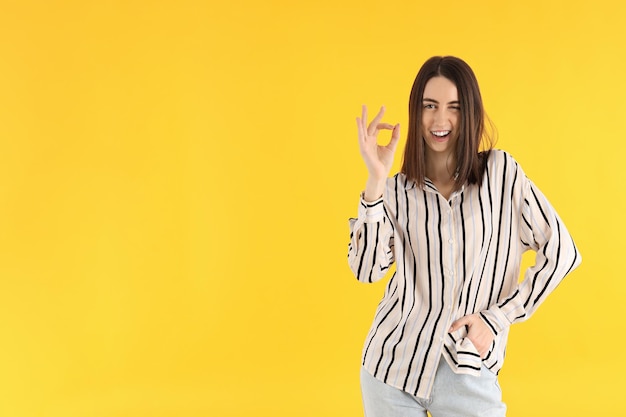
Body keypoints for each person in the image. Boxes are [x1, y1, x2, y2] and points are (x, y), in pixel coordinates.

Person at [347, 56, 581, 417]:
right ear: (416, 112)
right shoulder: (394, 191)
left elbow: (562, 251)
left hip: (468, 369)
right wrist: (376, 181)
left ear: (469, 113)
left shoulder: (501, 174)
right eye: (430, 106)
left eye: (453, 107)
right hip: (390, 367)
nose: (440, 120)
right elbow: (365, 270)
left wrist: (498, 318)